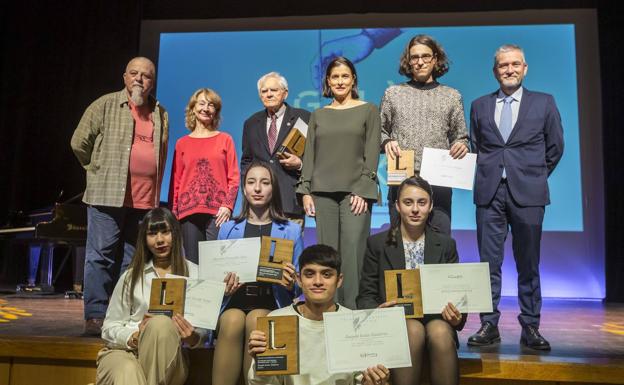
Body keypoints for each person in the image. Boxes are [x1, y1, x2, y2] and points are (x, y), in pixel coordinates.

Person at [467, 44, 564, 350]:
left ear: (524, 69)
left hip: (529, 193)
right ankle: (488, 323)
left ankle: (531, 325)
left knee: (529, 262)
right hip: (489, 193)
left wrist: (532, 175)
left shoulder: (544, 102)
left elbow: (555, 148)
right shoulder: (479, 105)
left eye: (514, 64)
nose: (508, 70)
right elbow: (475, 145)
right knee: (487, 264)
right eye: (502, 65)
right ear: (495, 71)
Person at [71, 57, 169, 335]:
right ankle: (95, 315)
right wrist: (97, 169)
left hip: (143, 200)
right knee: (101, 257)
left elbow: (160, 153)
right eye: (134, 74)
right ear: (125, 77)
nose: (140, 79)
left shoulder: (160, 112)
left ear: (153, 81)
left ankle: (120, 313)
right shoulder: (105, 105)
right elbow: (79, 143)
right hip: (107, 196)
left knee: (131, 261)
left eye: (146, 76)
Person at [357, 176, 466, 385]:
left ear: (431, 206)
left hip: (437, 319)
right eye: (408, 202)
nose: (415, 209)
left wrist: (456, 317)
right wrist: (378, 311)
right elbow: (366, 295)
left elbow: (456, 294)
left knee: (441, 331)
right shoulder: (377, 244)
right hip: (397, 322)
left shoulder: (446, 245)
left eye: (421, 203)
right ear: (397, 206)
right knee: (412, 329)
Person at [297, 56, 381, 309]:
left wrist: (364, 188)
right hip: (322, 193)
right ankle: (327, 313)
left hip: (355, 192)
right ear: (328, 81)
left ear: (353, 79)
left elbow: (372, 153)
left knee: (354, 253)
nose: (340, 81)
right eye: (335, 77)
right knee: (327, 257)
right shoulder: (319, 115)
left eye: (345, 76)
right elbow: (309, 155)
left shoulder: (368, 110)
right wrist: (305, 191)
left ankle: (353, 316)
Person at [212, 161, 304, 385]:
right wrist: (222, 287)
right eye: (251, 182)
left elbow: (301, 281)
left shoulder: (291, 230)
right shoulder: (227, 228)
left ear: (274, 188)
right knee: (232, 320)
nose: (257, 188)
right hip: (234, 300)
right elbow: (213, 279)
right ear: (244, 188)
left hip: (272, 302)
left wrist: (291, 282)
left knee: (258, 318)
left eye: (265, 182)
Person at [248, 244, 391, 385]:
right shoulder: (277, 319)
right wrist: (261, 365)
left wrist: (373, 381)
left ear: (339, 280)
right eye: (309, 274)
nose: (318, 282)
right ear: (298, 279)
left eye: (326, 274)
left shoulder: (355, 323)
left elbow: (361, 381)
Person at [96, 207, 209, 385]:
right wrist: (134, 336)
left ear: (176, 233)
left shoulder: (195, 274)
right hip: (126, 353)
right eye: (152, 234)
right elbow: (109, 328)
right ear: (144, 239)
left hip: (170, 358)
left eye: (165, 232)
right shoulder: (132, 276)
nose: (159, 240)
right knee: (128, 371)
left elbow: (205, 332)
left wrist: (193, 337)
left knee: (161, 323)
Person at [380, 34, 469, 234]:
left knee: (438, 243)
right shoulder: (393, 94)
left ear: (436, 59)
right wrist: (386, 141)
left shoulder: (452, 96)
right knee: (400, 245)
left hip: (439, 183)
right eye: (414, 57)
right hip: (401, 180)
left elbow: (461, 136)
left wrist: (462, 145)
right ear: (408, 61)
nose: (420, 62)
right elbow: (380, 131)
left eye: (426, 56)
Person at [168, 88, 239, 264]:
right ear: (193, 108)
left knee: (215, 264)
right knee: (193, 264)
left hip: (217, 212)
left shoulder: (225, 139)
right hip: (187, 213)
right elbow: (176, 181)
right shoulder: (182, 143)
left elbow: (234, 177)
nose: (206, 108)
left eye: (211, 105)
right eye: (201, 103)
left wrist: (228, 206)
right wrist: (174, 214)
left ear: (216, 111)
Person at [241, 72, 310, 227]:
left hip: (290, 202)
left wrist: (300, 164)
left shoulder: (304, 118)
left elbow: (316, 158)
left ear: (285, 93)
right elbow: (246, 161)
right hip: (259, 206)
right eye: (264, 91)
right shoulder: (251, 123)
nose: (269, 94)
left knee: (288, 250)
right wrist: (248, 190)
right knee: (259, 251)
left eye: (274, 90)